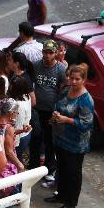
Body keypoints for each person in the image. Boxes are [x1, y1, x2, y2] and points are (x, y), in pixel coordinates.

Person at [45, 64, 94, 208]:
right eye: (71, 78)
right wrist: (55, 115)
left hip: (76, 143)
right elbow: (59, 105)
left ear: (84, 80)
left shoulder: (85, 99)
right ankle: (61, 195)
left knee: (73, 173)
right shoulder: (67, 90)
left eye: (77, 79)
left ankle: (70, 203)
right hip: (61, 138)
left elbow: (86, 124)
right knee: (62, 168)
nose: (73, 81)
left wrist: (67, 120)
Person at [28, 39, 66, 180]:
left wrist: (57, 111)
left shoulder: (61, 69)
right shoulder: (36, 65)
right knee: (35, 138)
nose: (47, 55)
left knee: (50, 141)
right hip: (37, 109)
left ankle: (50, 169)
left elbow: (63, 89)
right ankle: (33, 167)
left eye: (50, 52)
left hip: (51, 111)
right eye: (45, 52)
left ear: (55, 53)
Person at [9, 77, 33, 164]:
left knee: (16, 161)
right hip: (25, 134)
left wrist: (14, 144)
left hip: (19, 137)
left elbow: (18, 125)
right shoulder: (27, 96)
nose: (9, 86)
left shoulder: (18, 105)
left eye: (12, 85)